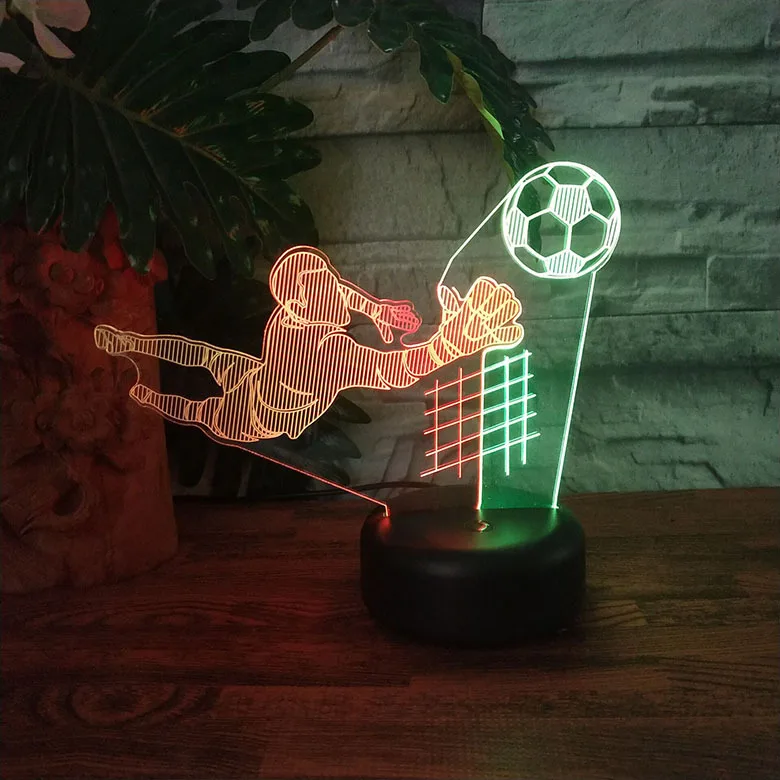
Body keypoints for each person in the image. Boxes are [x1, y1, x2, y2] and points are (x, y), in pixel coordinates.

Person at [95, 246, 523, 442]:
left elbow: (342, 296)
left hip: (258, 408)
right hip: (254, 397)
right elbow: (398, 370)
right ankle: (131, 352)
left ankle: (143, 389)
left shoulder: (293, 314)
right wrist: (449, 345)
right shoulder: (331, 351)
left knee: (200, 400)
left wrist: (376, 308)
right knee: (200, 369)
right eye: (322, 287)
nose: (335, 290)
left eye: (329, 280)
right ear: (300, 304)